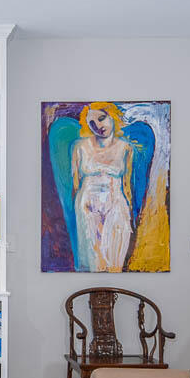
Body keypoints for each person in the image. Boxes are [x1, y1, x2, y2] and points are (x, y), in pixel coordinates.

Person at [70, 102, 134, 271]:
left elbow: (127, 185)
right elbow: (75, 183)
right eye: (92, 123)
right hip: (88, 207)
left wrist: (129, 208)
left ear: (112, 116)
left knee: (116, 257)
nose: (98, 126)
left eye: (101, 118)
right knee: (95, 260)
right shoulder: (80, 147)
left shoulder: (125, 148)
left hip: (116, 205)